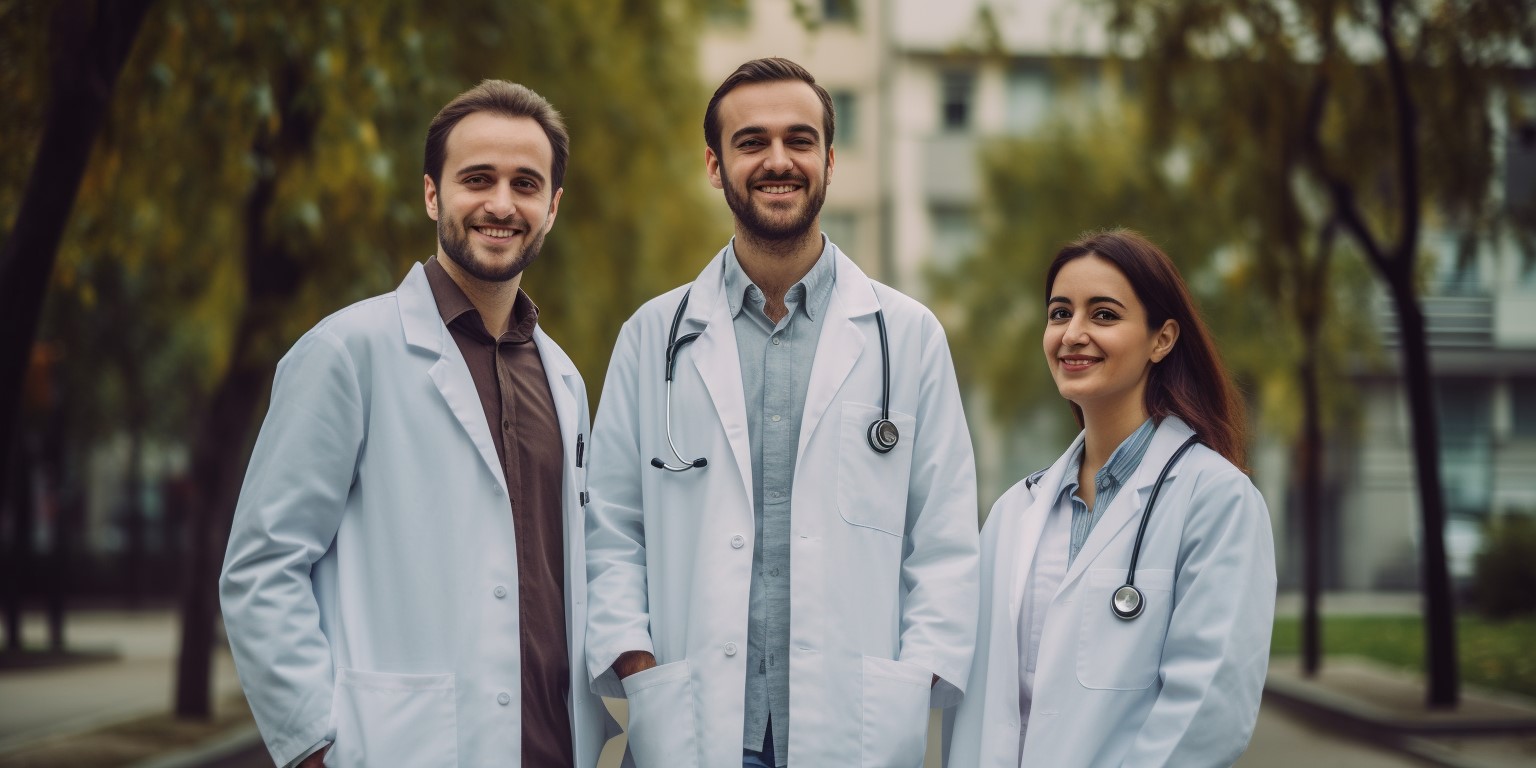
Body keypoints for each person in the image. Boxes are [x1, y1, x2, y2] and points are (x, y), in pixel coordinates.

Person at [584, 57, 980, 767]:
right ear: (715, 164)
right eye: (751, 142)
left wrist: (910, 683)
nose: (778, 160)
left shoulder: (907, 336)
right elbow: (610, 531)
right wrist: (641, 668)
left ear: (830, 160)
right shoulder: (653, 337)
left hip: (852, 728)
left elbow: (945, 541)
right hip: (695, 724)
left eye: (800, 140)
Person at [219, 80, 615, 768]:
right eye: (477, 179)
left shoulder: (565, 379)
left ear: (552, 208)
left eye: (526, 184)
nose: (500, 203)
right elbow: (262, 567)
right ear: (433, 194)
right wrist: (314, 747)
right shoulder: (347, 353)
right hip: (403, 749)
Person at [943, 229, 1276, 767]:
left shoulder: (1217, 501)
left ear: (1161, 339)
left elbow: (1207, 714)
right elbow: (978, 699)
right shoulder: (1014, 514)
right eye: (1058, 313)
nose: (1072, 333)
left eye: (1103, 315)